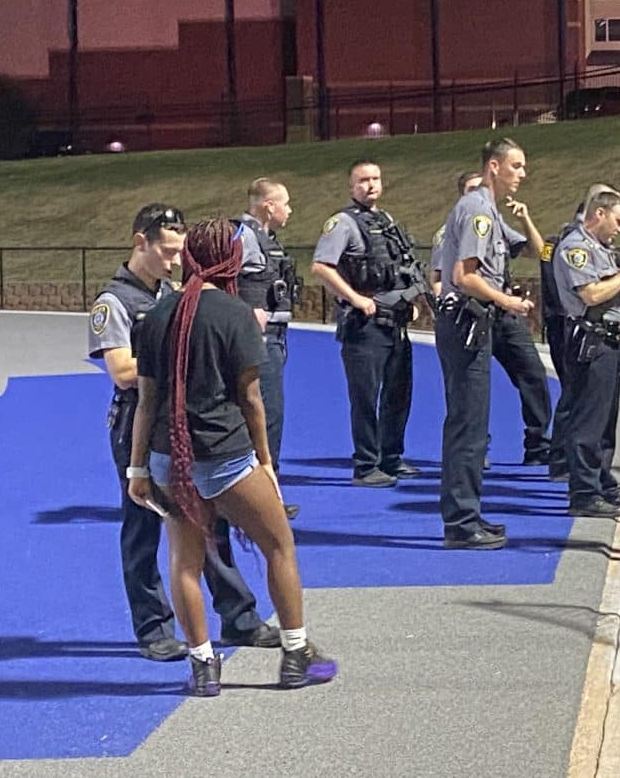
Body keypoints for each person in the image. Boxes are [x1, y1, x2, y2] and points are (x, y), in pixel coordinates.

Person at [127, 218, 338, 696]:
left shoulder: (157, 315)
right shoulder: (236, 314)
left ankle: (202, 665)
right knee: (278, 545)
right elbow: (252, 400)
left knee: (184, 561)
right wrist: (265, 463)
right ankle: (296, 653)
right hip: (224, 454)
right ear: (231, 261)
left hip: (167, 457)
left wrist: (137, 468)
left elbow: (147, 401)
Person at [88, 204, 277, 664]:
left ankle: (238, 615)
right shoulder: (113, 302)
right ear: (141, 243)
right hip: (139, 420)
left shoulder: (172, 293)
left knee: (210, 518)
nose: (175, 263)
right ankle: (154, 626)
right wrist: (180, 359)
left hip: (184, 420)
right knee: (144, 525)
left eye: (179, 253)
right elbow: (120, 370)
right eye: (167, 252)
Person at [433, 137, 534, 549]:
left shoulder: (488, 210)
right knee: (468, 424)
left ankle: (468, 512)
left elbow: (529, 249)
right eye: (516, 166)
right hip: (464, 321)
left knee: (473, 422)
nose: (522, 174)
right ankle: (460, 521)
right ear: (493, 166)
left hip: (473, 321)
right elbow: (464, 275)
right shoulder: (477, 209)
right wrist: (506, 300)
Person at [311, 159, 430, 487]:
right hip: (364, 325)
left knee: (398, 393)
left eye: (376, 178)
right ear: (352, 187)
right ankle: (366, 464)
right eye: (363, 180)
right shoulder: (343, 224)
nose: (371, 185)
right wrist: (355, 298)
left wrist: (410, 301)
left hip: (396, 322)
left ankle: (391, 457)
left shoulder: (386, 221)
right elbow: (321, 267)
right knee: (365, 397)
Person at [432, 170, 553, 467]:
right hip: (471, 315)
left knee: (533, 373)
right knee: (471, 389)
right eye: (472, 189)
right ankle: (475, 450)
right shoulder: (452, 230)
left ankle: (537, 444)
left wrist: (524, 218)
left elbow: (541, 252)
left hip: (503, 314)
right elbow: (440, 277)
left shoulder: (496, 223)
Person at [553, 188, 620, 519]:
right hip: (589, 339)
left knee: (606, 419)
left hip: (609, 339)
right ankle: (583, 492)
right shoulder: (576, 249)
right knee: (588, 419)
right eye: (618, 221)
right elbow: (592, 294)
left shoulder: (601, 250)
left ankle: (603, 484)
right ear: (599, 214)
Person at [541, 183, 620, 483]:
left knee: (599, 410)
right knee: (578, 402)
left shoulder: (602, 247)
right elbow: (586, 292)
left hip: (602, 332)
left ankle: (598, 476)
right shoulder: (570, 244)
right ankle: (568, 466)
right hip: (573, 326)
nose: (619, 228)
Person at [235, 178, 301, 520]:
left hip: (274, 337)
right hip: (257, 342)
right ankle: (259, 498)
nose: (289, 209)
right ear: (268, 206)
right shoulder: (243, 238)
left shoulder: (265, 239)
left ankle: (261, 493)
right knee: (265, 416)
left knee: (271, 417)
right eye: (285, 203)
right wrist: (244, 316)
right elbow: (222, 280)